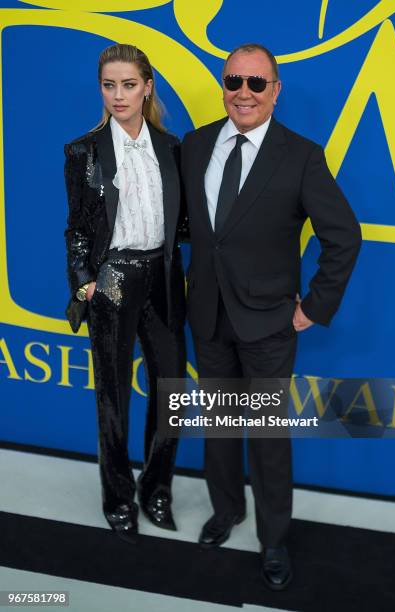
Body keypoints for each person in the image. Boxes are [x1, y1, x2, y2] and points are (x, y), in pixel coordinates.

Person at [181, 43, 361, 589]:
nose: (244, 92)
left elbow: (344, 237)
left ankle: (274, 535)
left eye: (257, 83)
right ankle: (226, 510)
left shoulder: (301, 155)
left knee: (264, 436)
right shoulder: (194, 145)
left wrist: (313, 308)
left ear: (275, 91)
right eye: (235, 80)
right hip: (207, 315)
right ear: (223, 84)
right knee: (218, 427)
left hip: (269, 324)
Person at [64, 44, 186, 543]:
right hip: (111, 277)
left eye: (129, 84)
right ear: (101, 89)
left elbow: (185, 221)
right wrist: (83, 281)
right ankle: (118, 499)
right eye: (109, 85)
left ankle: (157, 490)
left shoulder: (174, 148)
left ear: (147, 86)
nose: (119, 95)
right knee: (112, 396)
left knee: (170, 388)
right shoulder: (82, 151)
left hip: (162, 273)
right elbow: (75, 229)